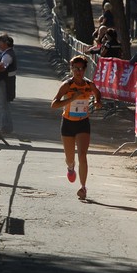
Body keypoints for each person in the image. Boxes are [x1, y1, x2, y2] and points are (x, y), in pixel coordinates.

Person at [51, 55, 102, 200]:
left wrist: (98, 101)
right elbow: (54, 104)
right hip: (67, 123)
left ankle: (83, 187)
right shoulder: (67, 85)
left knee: (83, 156)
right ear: (71, 69)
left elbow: (98, 94)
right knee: (70, 158)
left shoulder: (89, 85)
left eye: (81, 69)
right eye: (75, 69)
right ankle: (70, 167)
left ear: (85, 69)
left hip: (82, 123)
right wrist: (72, 98)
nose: (78, 72)